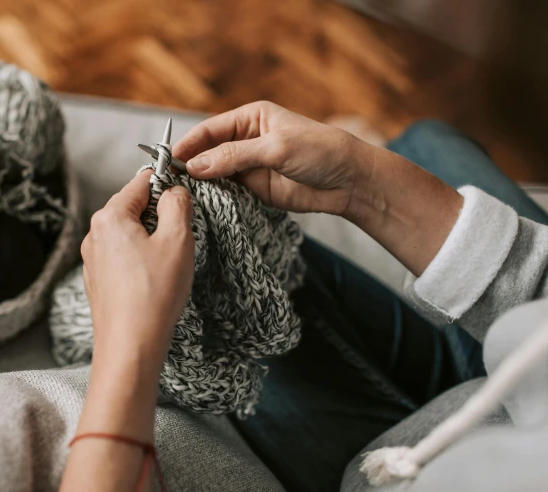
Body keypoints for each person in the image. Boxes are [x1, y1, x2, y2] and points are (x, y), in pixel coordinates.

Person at [60, 101, 548, 491]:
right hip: (520, 363)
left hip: (387, 463)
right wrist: (364, 182)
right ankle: (391, 143)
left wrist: (130, 336)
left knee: (425, 141)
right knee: (428, 137)